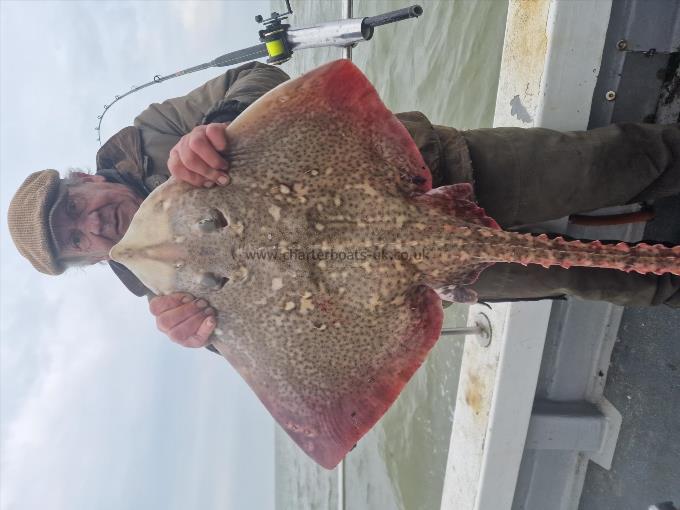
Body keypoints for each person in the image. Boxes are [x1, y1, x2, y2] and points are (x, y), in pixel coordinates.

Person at [8, 61, 680, 351]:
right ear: (87, 261)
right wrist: (210, 339)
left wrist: (219, 125)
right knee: (588, 273)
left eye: (76, 207)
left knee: (608, 163)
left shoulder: (153, 131)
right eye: (75, 241)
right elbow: (282, 339)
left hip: (426, 169)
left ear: (81, 177)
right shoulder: (164, 294)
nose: (91, 225)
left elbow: (264, 77)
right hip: (426, 268)